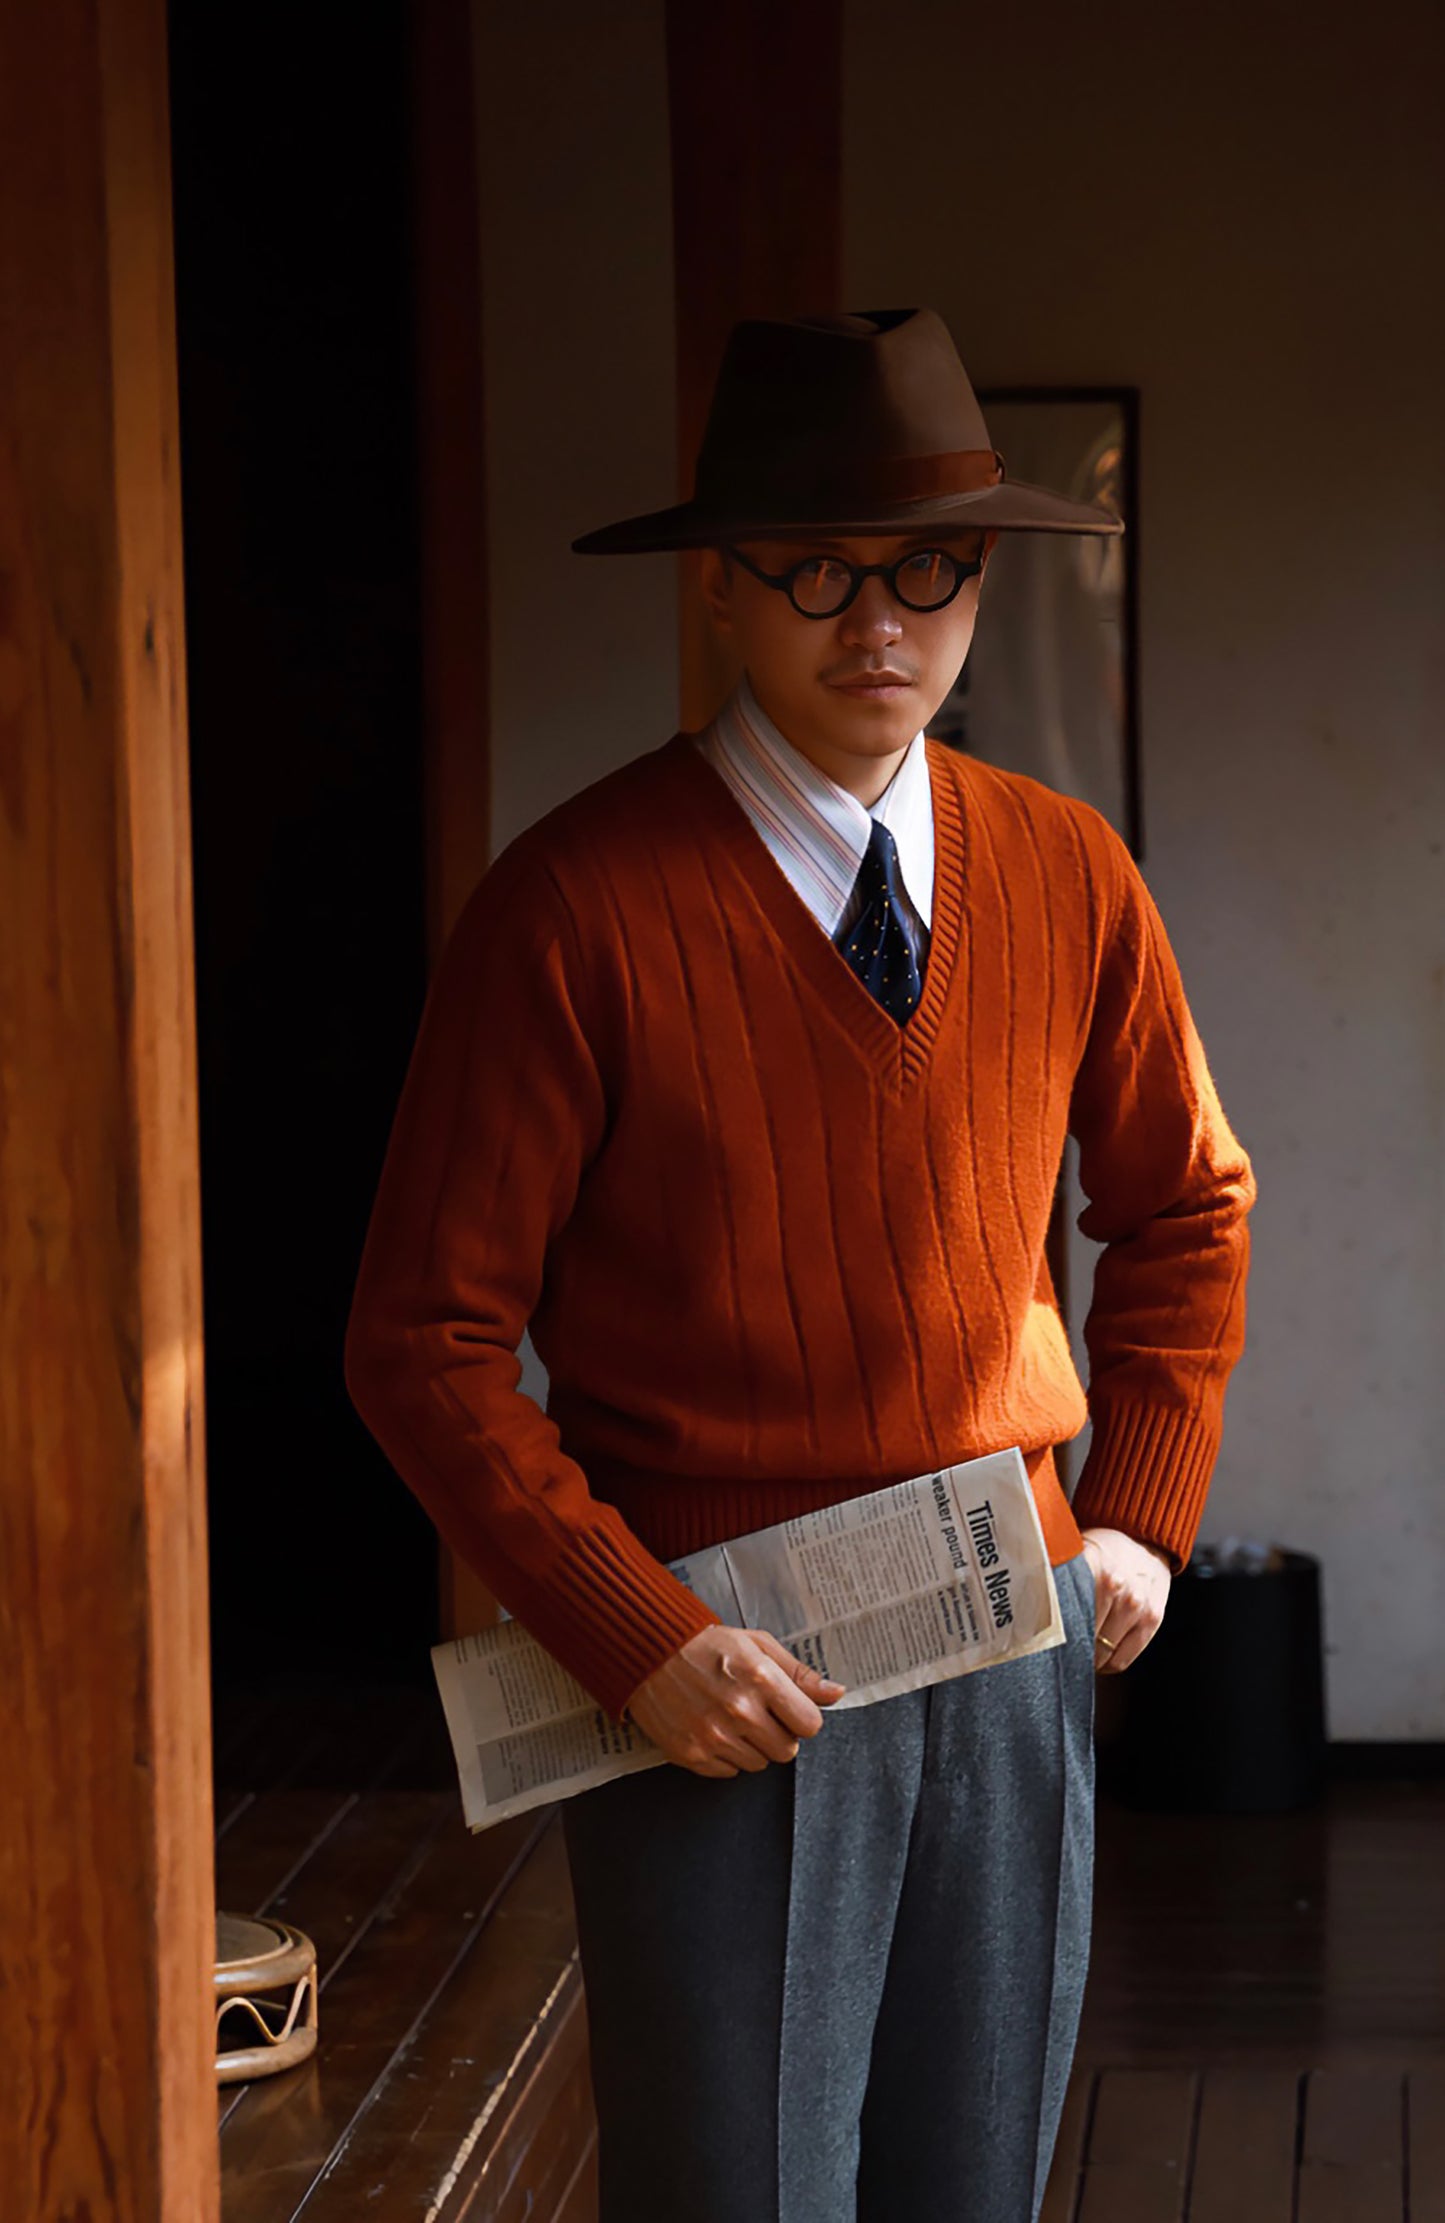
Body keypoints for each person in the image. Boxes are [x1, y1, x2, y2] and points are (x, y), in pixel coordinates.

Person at [343, 307, 1257, 2223]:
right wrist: (637, 1639)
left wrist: (1139, 1522)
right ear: (721, 600)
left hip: (1009, 1632)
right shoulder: (574, 906)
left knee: (974, 2181)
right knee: (733, 2194)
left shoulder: (1069, 872)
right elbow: (422, 1341)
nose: (877, 623)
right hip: (715, 1665)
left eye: (927, 569)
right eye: (815, 572)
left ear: (981, 589)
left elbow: (1182, 1208)